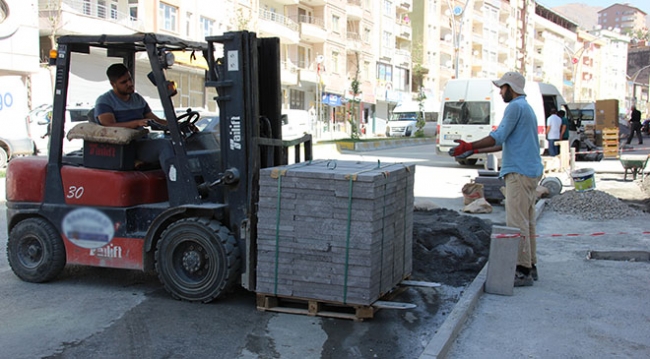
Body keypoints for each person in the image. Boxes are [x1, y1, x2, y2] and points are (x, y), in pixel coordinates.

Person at [449, 71, 543, 287]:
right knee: (527, 221)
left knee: (516, 222)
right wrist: (472, 152)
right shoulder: (526, 108)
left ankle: (522, 270)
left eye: (502, 88)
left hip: (519, 172)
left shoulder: (515, 107)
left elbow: (498, 137)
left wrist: (469, 145)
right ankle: (531, 265)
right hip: (529, 170)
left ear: (511, 87)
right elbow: (502, 144)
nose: (500, 92)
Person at [94, 63, 175, 178]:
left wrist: (177, 125)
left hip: (141, 142)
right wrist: (136, 123)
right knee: (164, 146)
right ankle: (178, 184)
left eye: (130, 79)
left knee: (176, 143)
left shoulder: (137, 99)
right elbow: (108, 125)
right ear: (113, 84)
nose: (130, 84)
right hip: (124, 148)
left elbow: (155, 120)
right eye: (124, 82)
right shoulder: (105, 101)